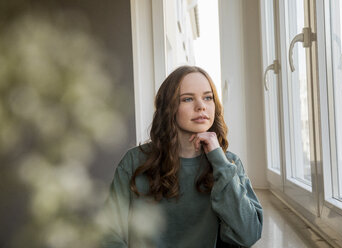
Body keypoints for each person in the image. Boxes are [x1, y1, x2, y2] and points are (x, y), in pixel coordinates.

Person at [101, 65, 263, 248]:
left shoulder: (228, 163)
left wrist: (219, 161)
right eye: (187, 99)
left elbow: (248, 234)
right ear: (169, 108)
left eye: (208, 97)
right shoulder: (134, 161)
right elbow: (109, 235)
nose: (201, 106)